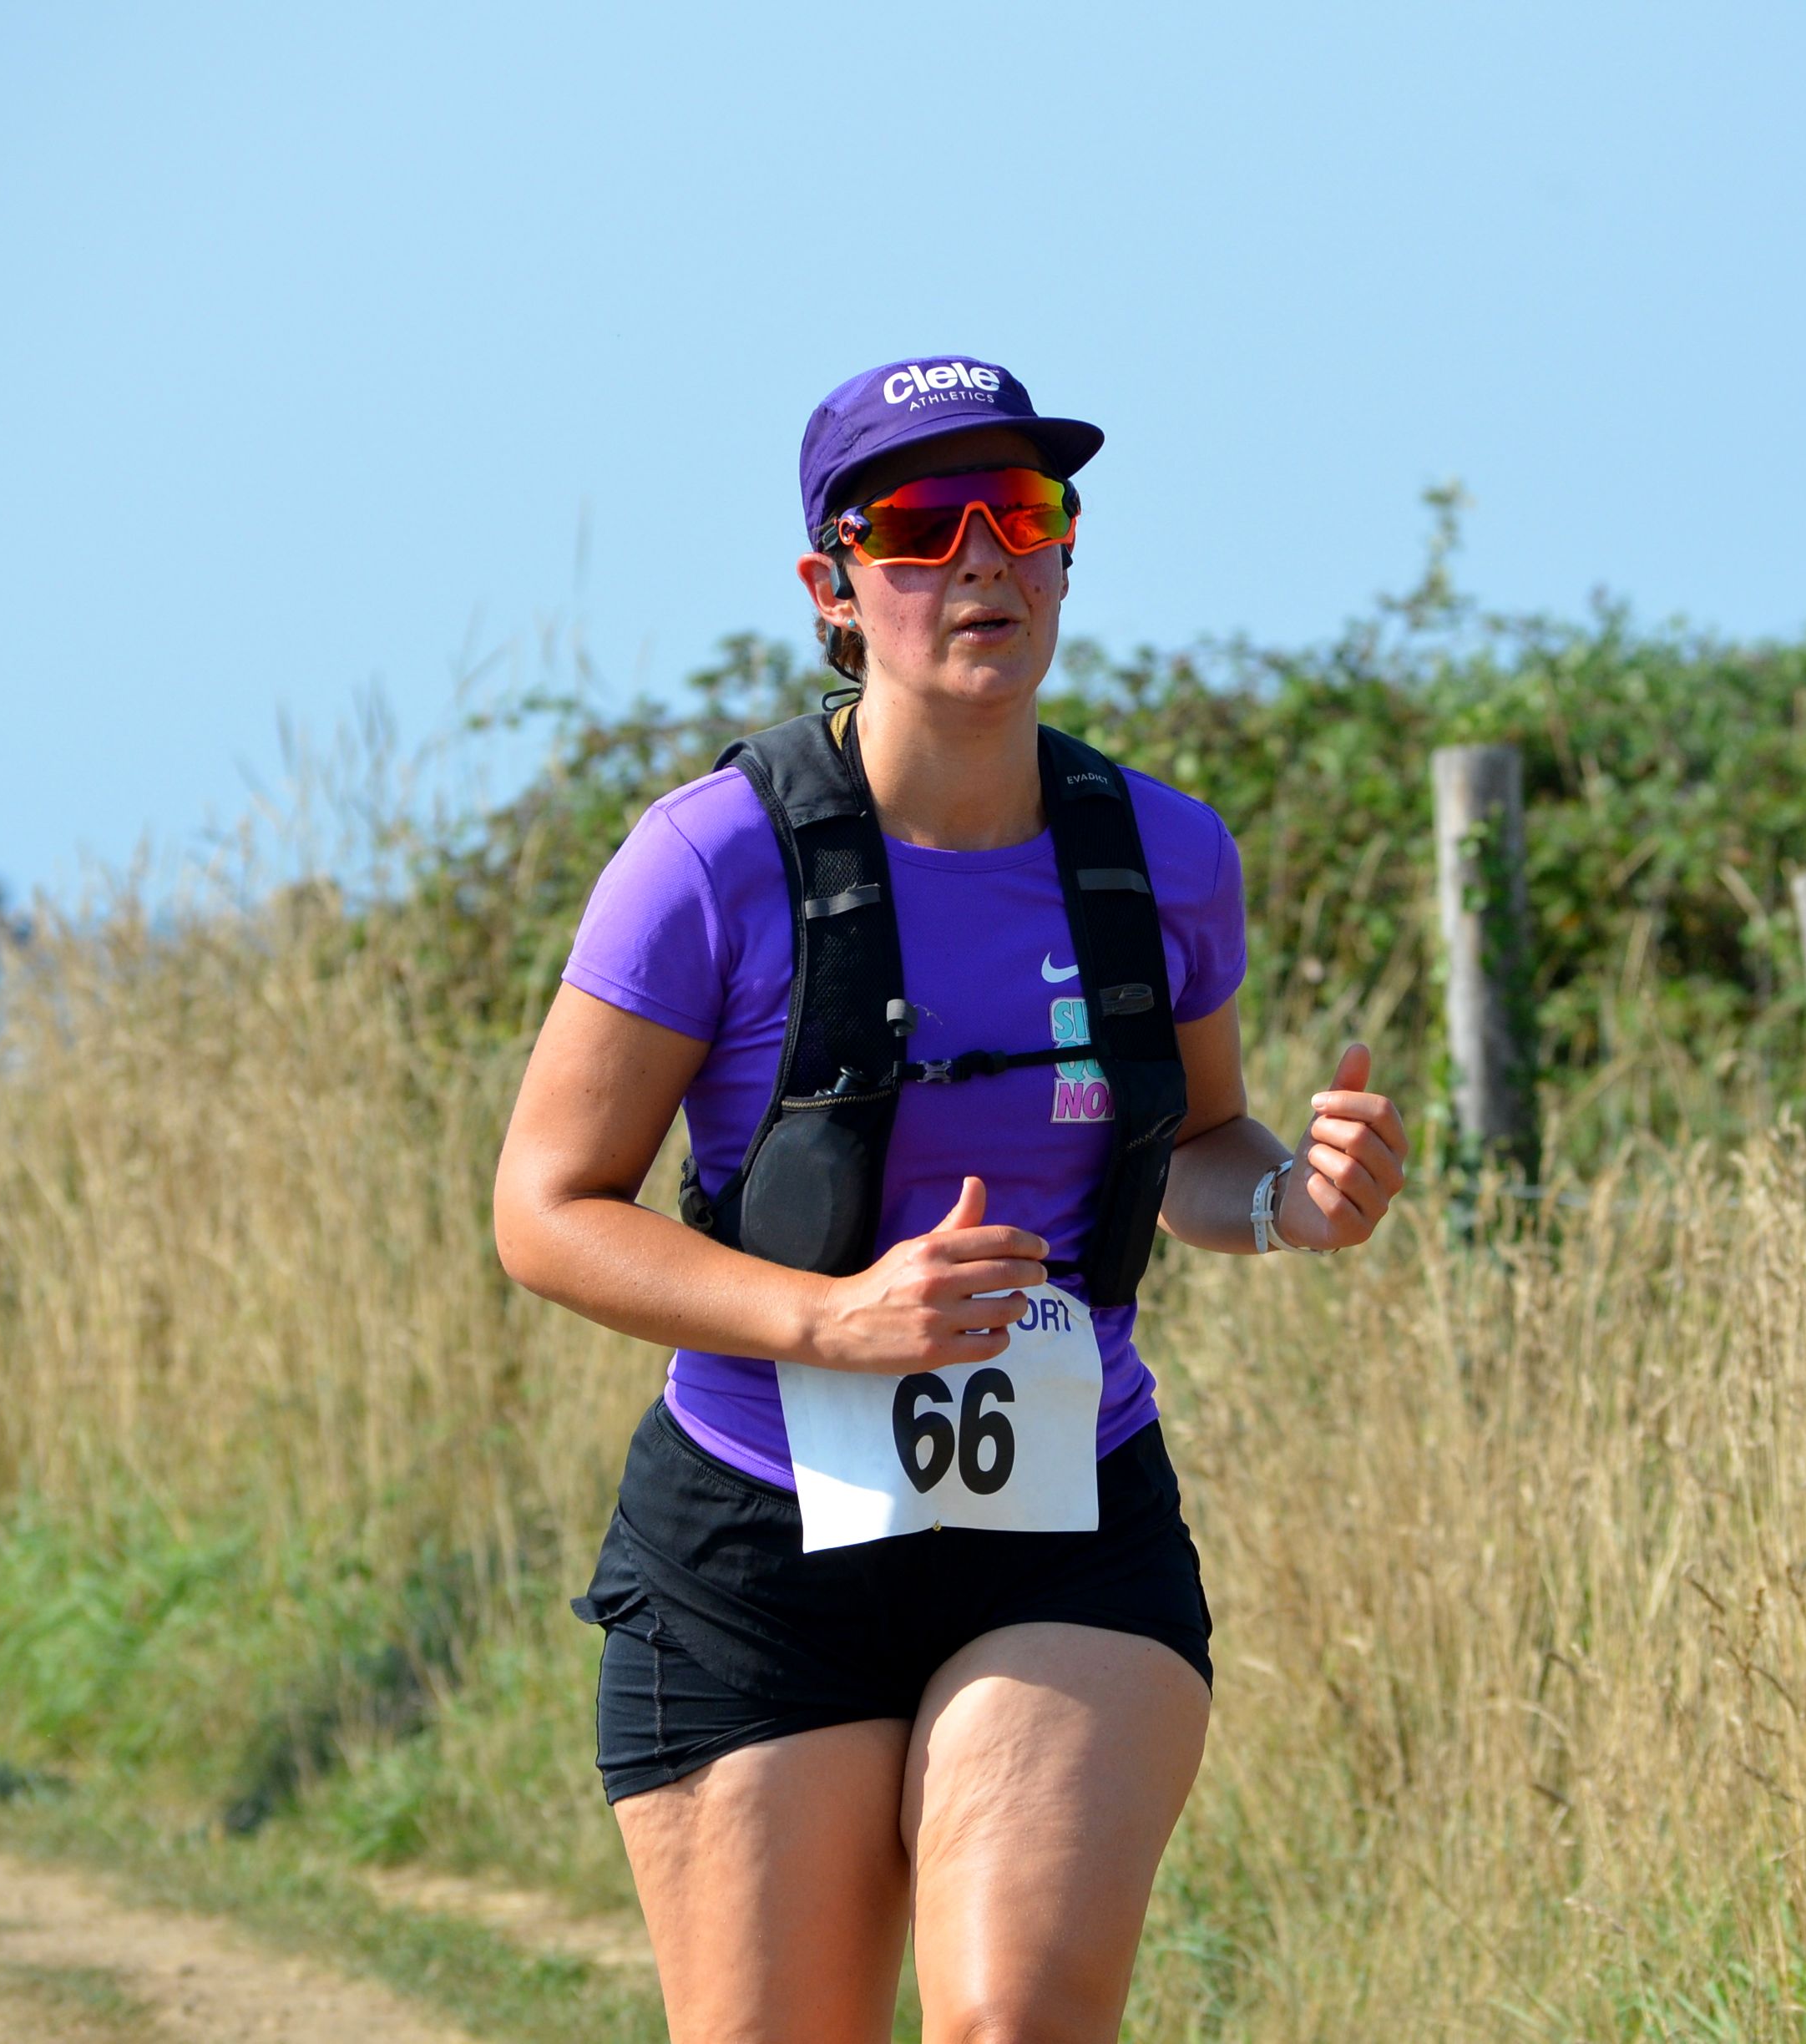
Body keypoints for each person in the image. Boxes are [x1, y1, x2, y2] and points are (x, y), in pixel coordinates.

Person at [490, 354, 1409, 2043]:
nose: (983, 556)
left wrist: (1293, 1197)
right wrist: (830, 1320)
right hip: (758, 1541)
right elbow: (546, 1210)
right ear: (833, 587)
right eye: (921, 525)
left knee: (1012, 2023)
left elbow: (1203, 1145)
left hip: (1067, 1525)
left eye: (1025, 512)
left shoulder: (1163, 854)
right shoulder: (708, 859)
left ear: (1065, 553)